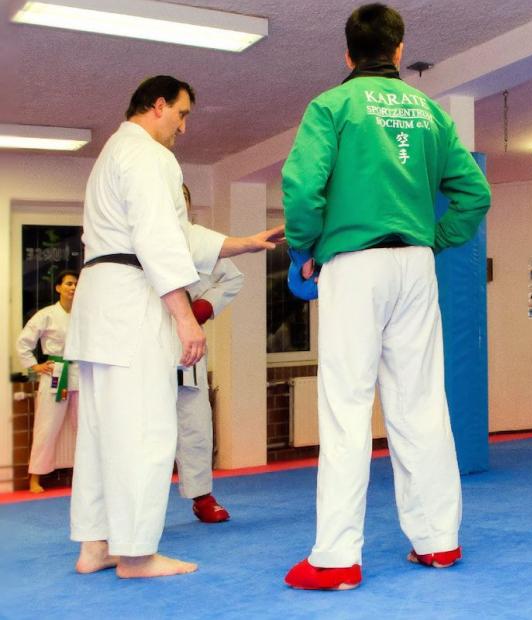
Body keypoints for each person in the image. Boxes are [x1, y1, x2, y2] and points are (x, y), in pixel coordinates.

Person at [281, 3, 491, 591]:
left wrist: (304, 250)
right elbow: (474, 195)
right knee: (422, 403)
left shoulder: (331, 105)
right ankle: (438, 543)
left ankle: (336, 558)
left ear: (347, 54)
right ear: (399, 51)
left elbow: (301, 189)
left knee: (347, 408)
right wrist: (436, 240)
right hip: (416, 266)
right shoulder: (429, 111)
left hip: (353, 263)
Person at [65, 75, 282, 579]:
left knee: (100, 434)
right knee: (146, 429)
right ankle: (137, 555)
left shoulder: (114, 154)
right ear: (158, 105)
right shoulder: (148, 155)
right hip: (131, 306)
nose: (183, 128)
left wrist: (243, 242)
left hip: (103, 307)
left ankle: (95, 546)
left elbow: (178, 232)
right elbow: (158, 238)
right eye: (182, 115)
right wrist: (186, 318)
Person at [175, 184, 245, 523]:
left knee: (196, 424)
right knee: (145, 430)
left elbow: (232, 278)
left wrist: (202, 308)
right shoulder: (139, 235)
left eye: (184, 199)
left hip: (189, 349)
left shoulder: (197, 239)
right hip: (146, 347)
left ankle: (202, 495)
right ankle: (137, 502)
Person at [16, 270, 80, 493]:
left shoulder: (84, 314)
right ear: (58, 288)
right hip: (56, 373)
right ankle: (35, 478)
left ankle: (85, 477)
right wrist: (35, 365)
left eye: (76, 284)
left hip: (80, 373)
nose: (73, 288)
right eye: (69, 284)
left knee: (85, 428)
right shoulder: (47, 314)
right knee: (46, 427)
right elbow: (24, 342)